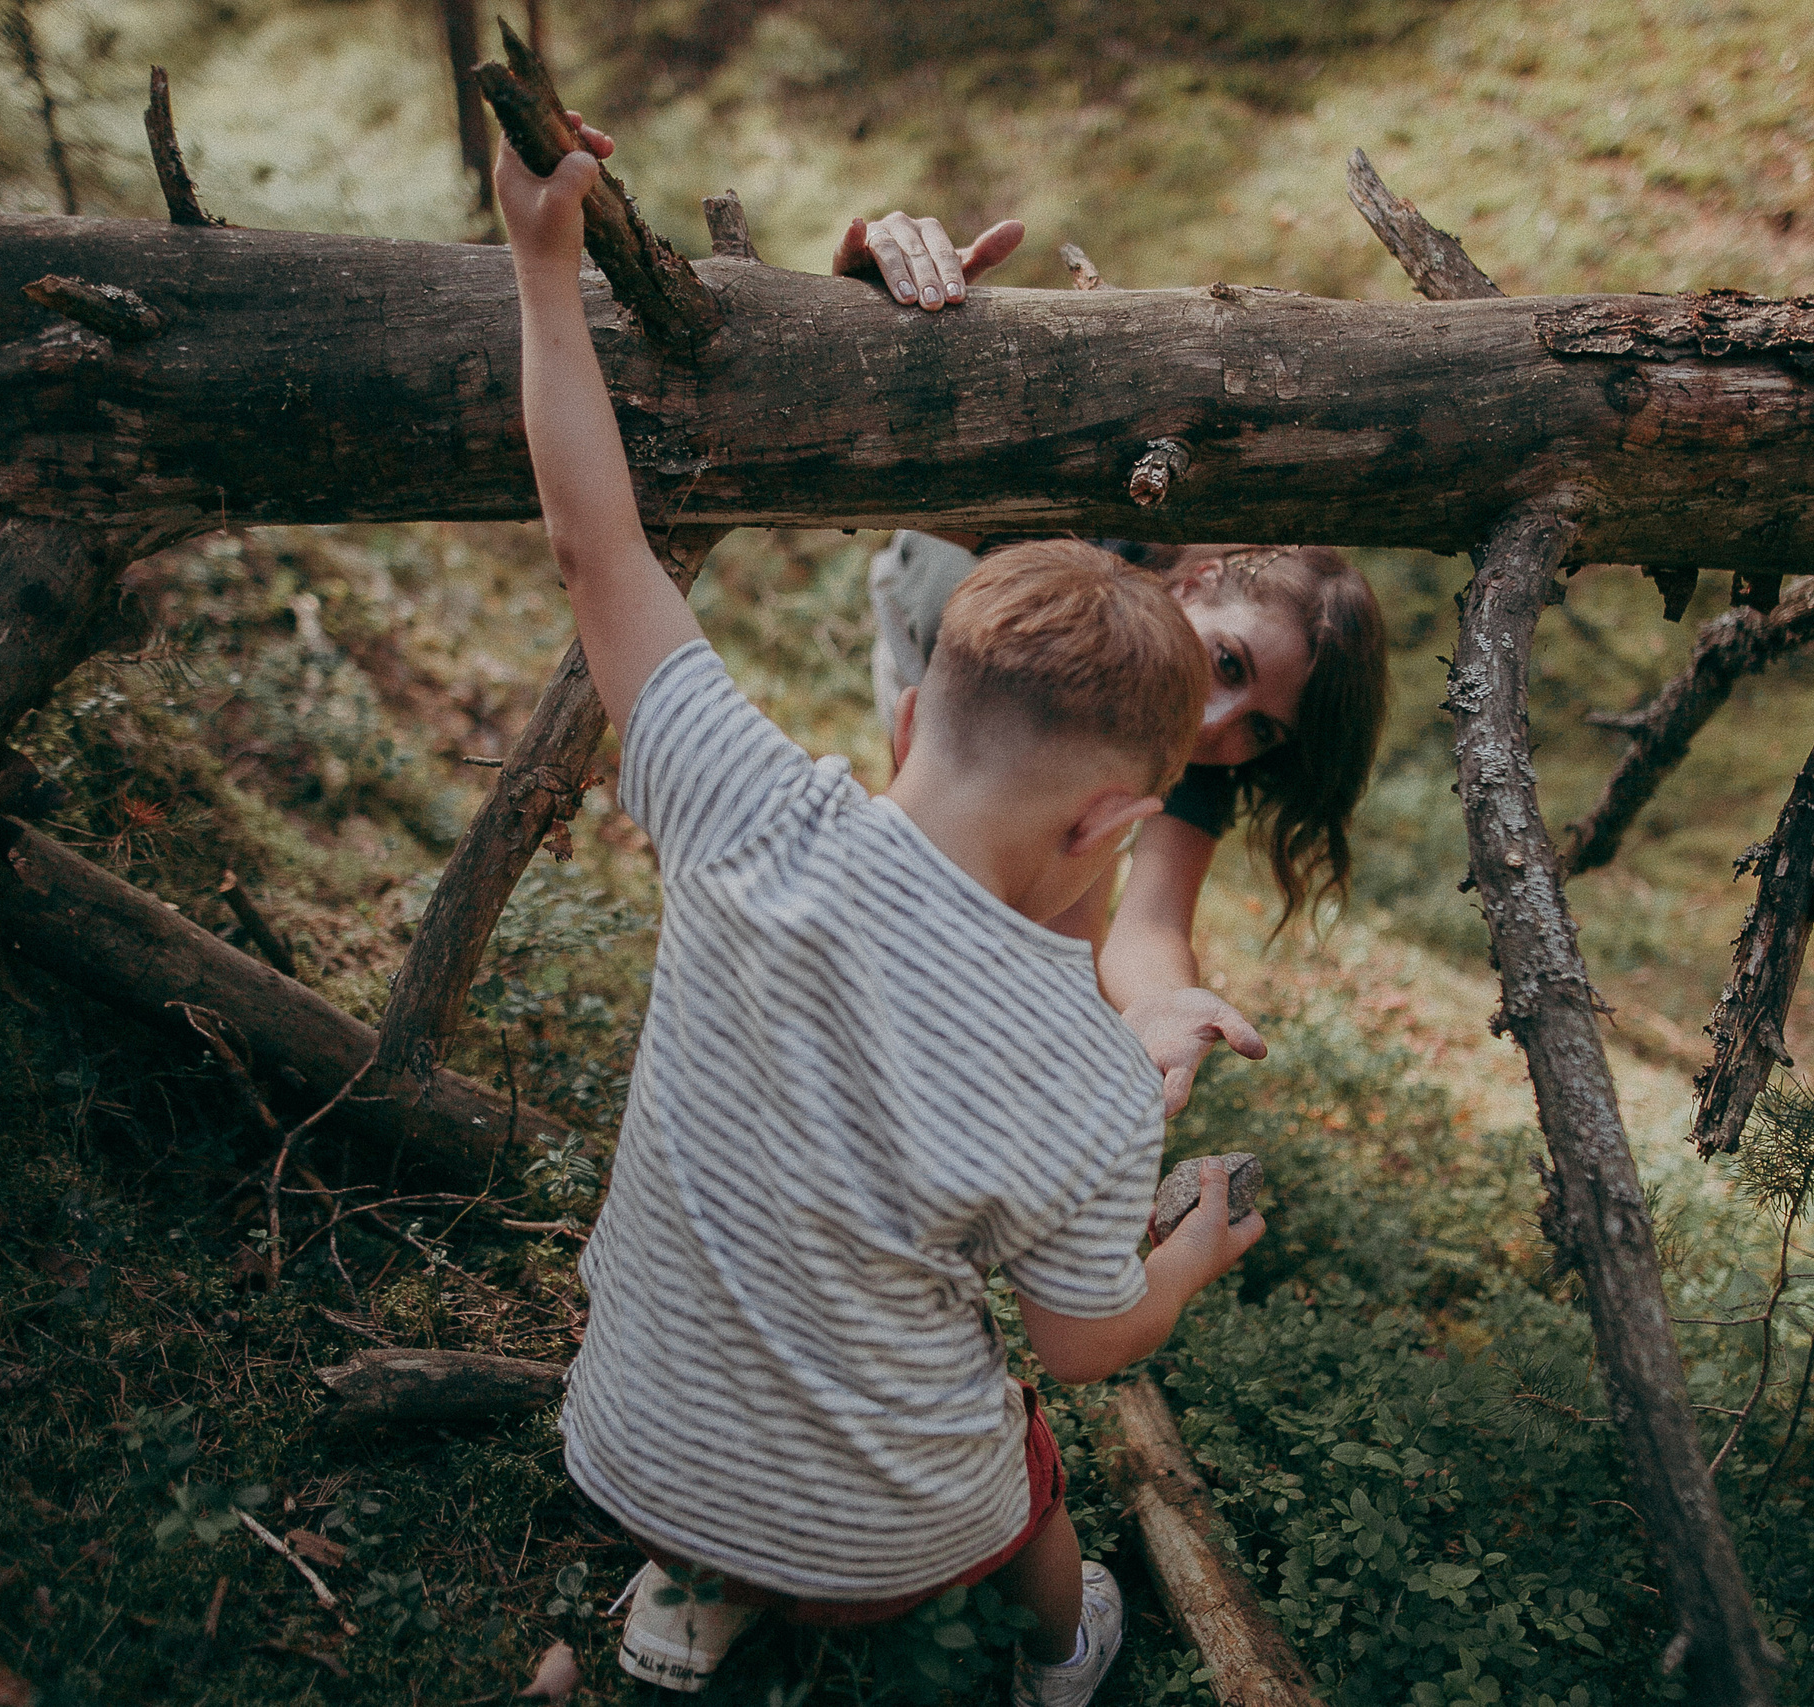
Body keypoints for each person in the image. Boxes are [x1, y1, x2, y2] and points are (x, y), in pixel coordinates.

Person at [497, 121, 1266, 1703]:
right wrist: (1184, 1252)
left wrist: (542, 266)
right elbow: (1078, 1337)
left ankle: (684, 1592)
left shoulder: (744, 807)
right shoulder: (1093, 1073)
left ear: (911, 719)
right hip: (896, 1543)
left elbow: (597, 544)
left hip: (630, 1450)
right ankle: (1065, 1655)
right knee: (1029, 1450)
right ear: (1114, 819)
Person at [837, 208, 1394, 1117]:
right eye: (1227, 663)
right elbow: (879, 430)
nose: (1218, 725)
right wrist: (881, 298)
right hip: (930, 611)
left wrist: (1164, 1003)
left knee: (1047, 881)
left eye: (1262, 727)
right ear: (1197, 577)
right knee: (967, 853)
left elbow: (1149, 921)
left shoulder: (1201, 741)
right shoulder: (1075, 532)